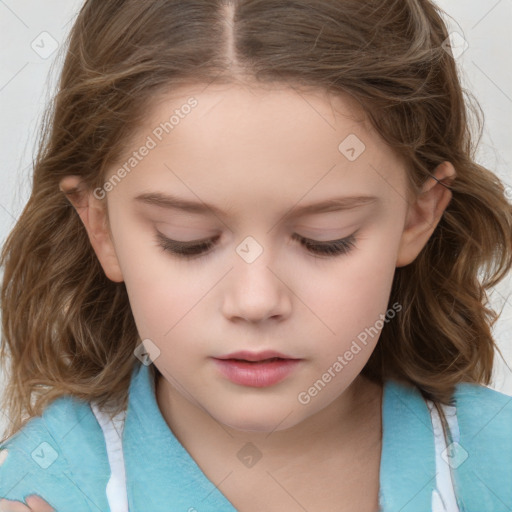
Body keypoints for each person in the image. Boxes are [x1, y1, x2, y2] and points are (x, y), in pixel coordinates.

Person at [1, 0, 511, 511]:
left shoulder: (496, 462)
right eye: (187, 239)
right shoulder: (36, 485)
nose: (255, 300)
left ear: (417, 216)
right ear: (100, 227)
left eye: (325, 237)